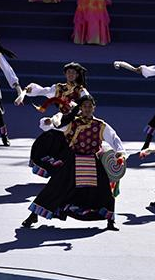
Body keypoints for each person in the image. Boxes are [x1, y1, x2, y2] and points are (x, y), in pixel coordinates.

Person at [22, 95, 126, 230]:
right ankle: (33, 215)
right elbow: (53, 127)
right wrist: (48, 122)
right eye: (85, 106)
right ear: (80, 108)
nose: (87, 109)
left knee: (104, 189)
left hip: (92, 161)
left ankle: (110, 221)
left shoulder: (100, 125)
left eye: (90, 106)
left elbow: (114, 138)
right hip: (73, 160)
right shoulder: (72, 123)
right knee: (56, 187)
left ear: (94, 107)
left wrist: (120, 152)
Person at [24, 63, 90, 177]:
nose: (70, 74)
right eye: (68, 72)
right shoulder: (59, 88)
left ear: (77, 75)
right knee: (44, 141)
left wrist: (76, 110)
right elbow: (43, 91)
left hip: (76, 123)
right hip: (61, 121)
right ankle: (51, 169)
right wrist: (30, 90)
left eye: (73, 72)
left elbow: (87, 105)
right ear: (65, 74)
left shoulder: (81, 91)